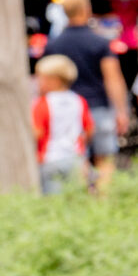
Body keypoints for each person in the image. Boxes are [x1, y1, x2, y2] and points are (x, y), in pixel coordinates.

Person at [41, 0, 129, 189]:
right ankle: (102, 198)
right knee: (104, 159)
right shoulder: (100, 43)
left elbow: (44, 81)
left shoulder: (54, 45)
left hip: (64, 112)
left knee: (75, 161)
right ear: (86, 10)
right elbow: (113, 79)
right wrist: (121, 111)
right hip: (98, 107)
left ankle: (81, 197)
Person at [33, 55, 92, 193]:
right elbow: (89, 129)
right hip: (75, 157)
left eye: (41, 78)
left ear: (55, 80)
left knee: (53, 199)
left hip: (50, 158)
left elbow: (37, 132)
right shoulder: (78, 100)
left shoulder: (42, 103)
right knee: (76, 195)